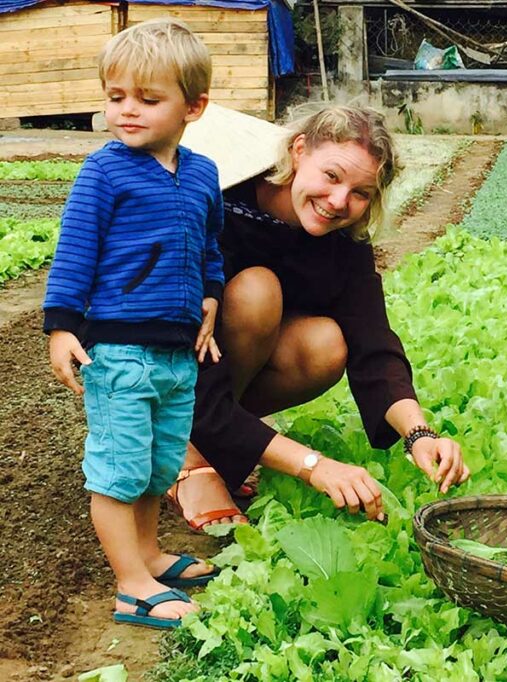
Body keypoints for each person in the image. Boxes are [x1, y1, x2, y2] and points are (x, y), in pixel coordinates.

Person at [166, 105, 471, 531]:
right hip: (167, 366)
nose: (339, 201)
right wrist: (314, 465)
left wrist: (420, 434)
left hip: (223, 380)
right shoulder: (221, 204)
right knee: (257, 291)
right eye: (331, 176)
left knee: (325, 344)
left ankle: (222, 439)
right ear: (299, 150)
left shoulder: (343, 240)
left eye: (361, 192)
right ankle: (187, 453)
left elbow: (374, 345)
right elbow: (177, 341)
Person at [43, 19, 223, 629]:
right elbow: (75, 250)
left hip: (176, 354)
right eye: (116, 97)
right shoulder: (104, 172)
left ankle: (147, 556)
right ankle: (130, 587)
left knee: (156, 464)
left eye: (148, 99)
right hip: (118, 351)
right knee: (119, 470)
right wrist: (62, 326)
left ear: (193, 107)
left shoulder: (201, 175)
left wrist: (211, 297)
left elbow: (209, 246)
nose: (127, 111)